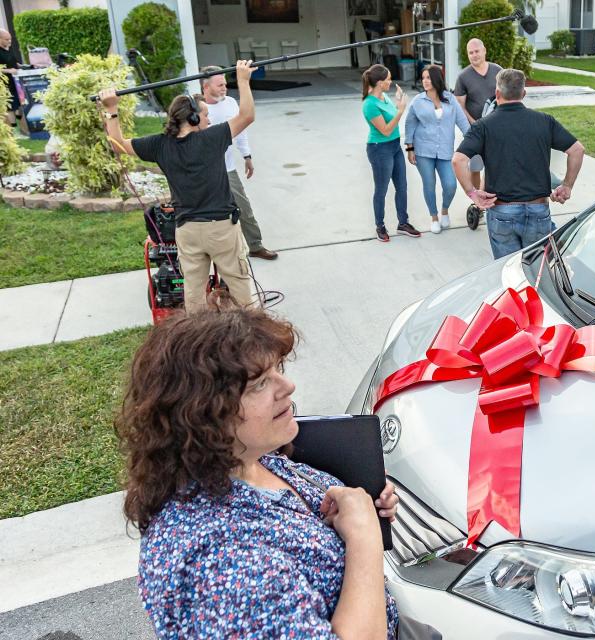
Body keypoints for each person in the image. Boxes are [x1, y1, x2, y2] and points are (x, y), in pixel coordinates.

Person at [116, 307, 403, 638]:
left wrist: (362, 507)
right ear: (203, 414)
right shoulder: (223, 566)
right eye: (259, 384)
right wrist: (364, 537)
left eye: (277, 369)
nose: (288, 386)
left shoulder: (249, 459)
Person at [98, 61, 257, 313]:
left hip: (188, 232)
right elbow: (247, 115)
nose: (208, 118)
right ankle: (252, 340)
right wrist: (244, 81)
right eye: (205, 115)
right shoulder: (212, 138)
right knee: (240, 292)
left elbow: (117, 143)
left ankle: (196, 340)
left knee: (193, 295)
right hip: (221, 230)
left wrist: (111, 109)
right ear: (193, 118)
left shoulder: (160, 145)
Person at [452, 69, 585, 259]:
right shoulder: (545, 121)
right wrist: (567, 185)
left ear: (497, 94)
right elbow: (577, 150)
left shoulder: (483, 126)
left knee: (509, 271)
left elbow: (458, 160)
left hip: (501, 212)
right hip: (538, 210)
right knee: (536, 270)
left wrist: (473, 193)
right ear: (523, 94)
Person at [200, 65, 278, 261]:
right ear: (206, 86)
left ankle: (255, 245)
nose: (224, 88)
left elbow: (241, 130)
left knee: (243, 208)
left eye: (225, 84)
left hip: (227, 169)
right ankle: (208, 253)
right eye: (219, 85)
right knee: (208, 216)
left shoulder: (231, 103)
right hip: (203, 171)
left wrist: (247, 156)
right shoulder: (199, 108)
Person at [404, 65, 470, 234]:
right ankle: (434, 217)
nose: (425, 81)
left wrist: (472, 142)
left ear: (436, 79)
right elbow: (410, 124)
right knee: (429, 184)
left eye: (428, 77)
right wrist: (410, 148)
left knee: (450, 185)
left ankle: (444, 211)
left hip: (445, 151)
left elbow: (462, 121)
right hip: (423, 150)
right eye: (423, 77)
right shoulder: (418, 101)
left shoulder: (450, 98)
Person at [362, 63, 421, 243]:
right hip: (380, 148)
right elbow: (386, 130)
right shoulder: (369, 104)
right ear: (380, 83)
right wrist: (401, 110)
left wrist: (397, 103)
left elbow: (392, 118)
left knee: (402, 186)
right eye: (387, 79)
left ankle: (403, 223)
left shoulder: (384, 98)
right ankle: (380, 226)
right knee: (381, 189)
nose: (390, 81)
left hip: (395, 146)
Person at [453, 38, 502, 205]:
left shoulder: (498, 71)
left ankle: (496, 195)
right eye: (470, 53)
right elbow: (459, 105)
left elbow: (506, 96)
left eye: (477, 51)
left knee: (496, 165)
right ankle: (477, 200)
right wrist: (474, 123)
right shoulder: (463, 77)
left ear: (484, 51)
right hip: (475, 130)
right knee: (475, 166)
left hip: (497, 128)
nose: (474, 55)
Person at [0, 29, 22, 131]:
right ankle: (15, 129)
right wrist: (9, 71)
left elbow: (14, 61)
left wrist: (21, 66)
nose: (9, 41)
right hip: (5, 83)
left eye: (10, 39)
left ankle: (21, 125)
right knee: (10, 106)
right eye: (6, 39)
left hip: (16, 80)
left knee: (20, 102)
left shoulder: (10, 47)